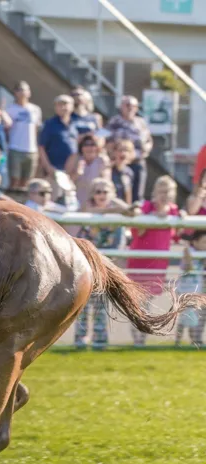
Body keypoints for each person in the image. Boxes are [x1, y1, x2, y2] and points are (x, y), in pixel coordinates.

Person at [73, 178, 136, 349]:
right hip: (87, 265)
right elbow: (86, 210)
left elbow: (130, 211)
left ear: (113, 194)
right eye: (98, 192)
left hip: (108, 266)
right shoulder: (87, 210)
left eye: (105, 191)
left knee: (102, 305)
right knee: (83, 305)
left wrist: (114, 204)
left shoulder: (116, 211)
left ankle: (100, 340)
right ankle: (80, 339)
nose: (101, 195)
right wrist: (113, 207)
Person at [127, 176, 181, 347]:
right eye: (161, 191)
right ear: (154, 192)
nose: (164, 194)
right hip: (140, 261)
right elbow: (139, 232)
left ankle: (141, 337)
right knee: (138, 301)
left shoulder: (174, 210)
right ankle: (137, 337)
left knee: (148, 301)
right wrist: (152, 217)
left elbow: (178, 234)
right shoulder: (146, 207)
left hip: (158, 263)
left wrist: (181, 217)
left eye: (168, 191)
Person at [107, 95, 152, 203]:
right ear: (121, 106)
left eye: (133, 106)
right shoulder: (115, 121)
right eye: (127, 105)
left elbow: (149, 139)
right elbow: (107, 140)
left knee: (137, 191)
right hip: (120, 161)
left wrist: (147, 149)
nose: (130, 108)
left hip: (137, 161)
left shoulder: (141, 122)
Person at [5, 81, 42, 190]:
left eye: (25, 89)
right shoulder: (10, 109)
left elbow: (36, 129)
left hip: (31, 149)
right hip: (15, 148)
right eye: (19, 90)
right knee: (14, 180)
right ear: (15, 93)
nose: (22, 92)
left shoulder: (35, 109)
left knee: (27, 182)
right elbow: (7, 129)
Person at [65, 132, 111, 210]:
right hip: (77, 202)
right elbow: (66, 184)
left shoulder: (102, 160)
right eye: (86, 145)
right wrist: (77, 173)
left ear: (97, 147)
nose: (89, 148)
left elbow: (106, 183)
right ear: (81, 147)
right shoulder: (74, 158)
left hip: (96, 203)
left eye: (92, 144)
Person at [175, 231, 206, 347]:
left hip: (196, 291)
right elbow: (188, 268)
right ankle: (179, 342)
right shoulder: (189, 252)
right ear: (195, 242)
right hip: (184, 291)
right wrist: (187, 254)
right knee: (184, 318)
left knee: (192, 317)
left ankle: (192, 342)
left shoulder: (202, 254)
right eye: (204, 242)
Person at [39, 94, 77, 177]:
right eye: (59, 105)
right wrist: (48, 167)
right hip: (53, 171)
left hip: (71, 172)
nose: (63, 107)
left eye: (65, 104)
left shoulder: (75, 124)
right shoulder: (49, 124)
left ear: (72, 106)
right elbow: (41, 147)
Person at [110, 138, 135, 204]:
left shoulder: (129, 172)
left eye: (126, 150)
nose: (123, 153)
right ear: (114, 152)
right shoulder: (108, 169)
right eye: (120, 150)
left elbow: (128, 195)